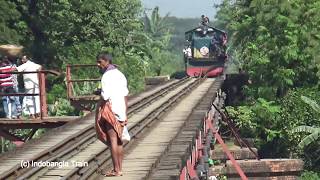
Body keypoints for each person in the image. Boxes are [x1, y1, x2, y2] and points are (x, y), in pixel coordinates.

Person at [95, 52, 129, 177]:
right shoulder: (120, 74)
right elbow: (125, 95)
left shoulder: (106, 76)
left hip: (111, 109)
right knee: (119, 141)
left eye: (100, 62)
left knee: (112, 140)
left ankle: (116, 170)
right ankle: (120, 169)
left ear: (106, 61)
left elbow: (105, 95)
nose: (98, 64)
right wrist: (125, 113)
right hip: (120, 110)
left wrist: (99, 94)